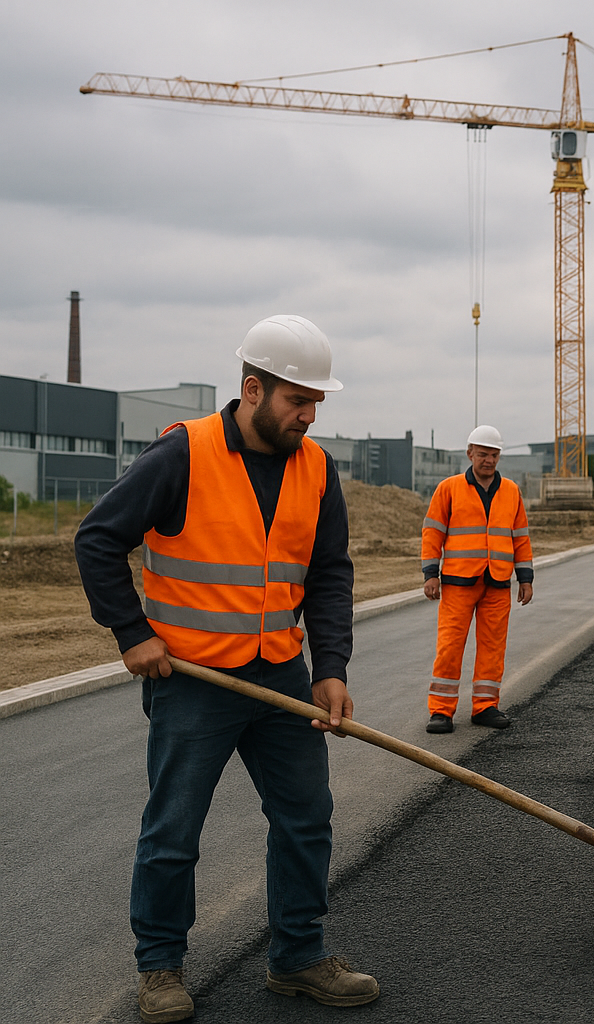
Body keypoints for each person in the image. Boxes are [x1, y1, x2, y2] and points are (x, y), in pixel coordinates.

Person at [74, 315, 379, 1022]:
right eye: (297, 402)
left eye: (316, 404)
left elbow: (329, 574)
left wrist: (329, 666)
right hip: (191, 682)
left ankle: (298, 958)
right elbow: (98, 539)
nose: (309, 416)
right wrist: (132, 631)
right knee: (174, 827)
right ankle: (159, 967)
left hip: (280, 674)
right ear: (252, 389)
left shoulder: (316, 469)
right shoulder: (183, 454)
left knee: (307, 818)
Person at [420, 424, 533, 734]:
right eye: (483, 454)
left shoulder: (511, 490)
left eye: (494, 455)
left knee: (493, 647)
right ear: (470, 453)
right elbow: (432, 533)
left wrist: (525, 578)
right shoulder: (449, 488)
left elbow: (520, 537)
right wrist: (431, 574)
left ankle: (485, 706)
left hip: (497, 582)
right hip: (458, 582)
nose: (489, 460)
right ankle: (441, 711)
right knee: (450, 646)